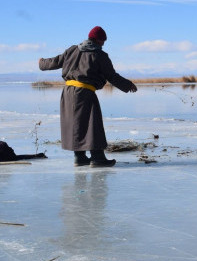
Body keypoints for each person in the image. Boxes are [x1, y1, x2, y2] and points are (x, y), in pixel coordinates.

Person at [38, 26, 137, 167]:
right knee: (92, 125)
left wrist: (41, 63)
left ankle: (80, 158)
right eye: (103, 41)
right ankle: (98, 158)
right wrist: (128, 85)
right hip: (84, 93)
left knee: (75, 125)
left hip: (67, 93)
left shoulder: (72, 50)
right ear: (97, 39)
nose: (103, 44)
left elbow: (54, 62)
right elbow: (111, 76)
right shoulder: (100, 55)